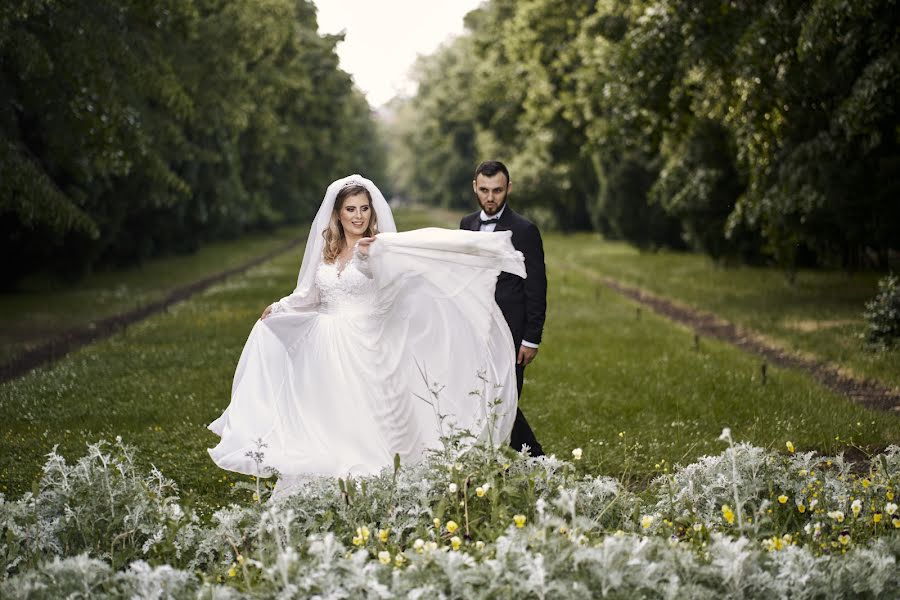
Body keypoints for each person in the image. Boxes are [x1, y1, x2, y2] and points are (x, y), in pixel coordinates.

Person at [207, 174, 525, 494]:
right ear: (338, 214)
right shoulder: (327, 250)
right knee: (328, 412)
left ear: (372, 213)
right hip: (326, 345)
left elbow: (392, 283)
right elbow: (308, 295)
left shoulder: (377, 248)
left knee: (366, 418)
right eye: (351, 209)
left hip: (365, 343)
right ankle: (328, 470)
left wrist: (371, 256)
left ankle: (370, 475)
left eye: (364, 209)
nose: (358, 216)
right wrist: (279, 307)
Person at [460, 161, 547, 456]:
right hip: (475, 327)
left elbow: (536, 288)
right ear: (475, 187)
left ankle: (533, 457)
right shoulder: (466, 225)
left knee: (505, 398)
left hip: (511, 331)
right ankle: (486, 457)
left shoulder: (525, 230)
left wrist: (531, 338)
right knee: (478, 395)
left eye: (497, 190)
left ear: (508, 188)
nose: (490, 197)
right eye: (484, 190)